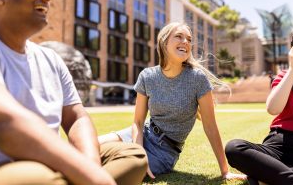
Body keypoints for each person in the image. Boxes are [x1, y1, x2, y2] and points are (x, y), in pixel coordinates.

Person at [0, 0, 147, 185]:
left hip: (51, 161)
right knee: (37, 178)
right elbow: (5, 122)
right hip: (5, 168)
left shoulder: (50, 58)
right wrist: (92, 177)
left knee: (132, 155)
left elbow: (76, 117)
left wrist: (90, 167)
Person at [99, 22, 246, 181]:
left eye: (189, 39)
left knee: (110, 171)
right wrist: (138, 152)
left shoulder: (197, 79)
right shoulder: (147, 76)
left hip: (164, 152)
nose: (185, 42)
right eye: (179, 36)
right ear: (164, 42)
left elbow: (210, 126)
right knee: (91, 147)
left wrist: (225, 171)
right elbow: (138, 122)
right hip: (141, 136)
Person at [225, 17, 293, 185]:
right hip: (277, 147)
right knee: (234, 148)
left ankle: (269, 176)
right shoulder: (287, 76)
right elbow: (273, 108)